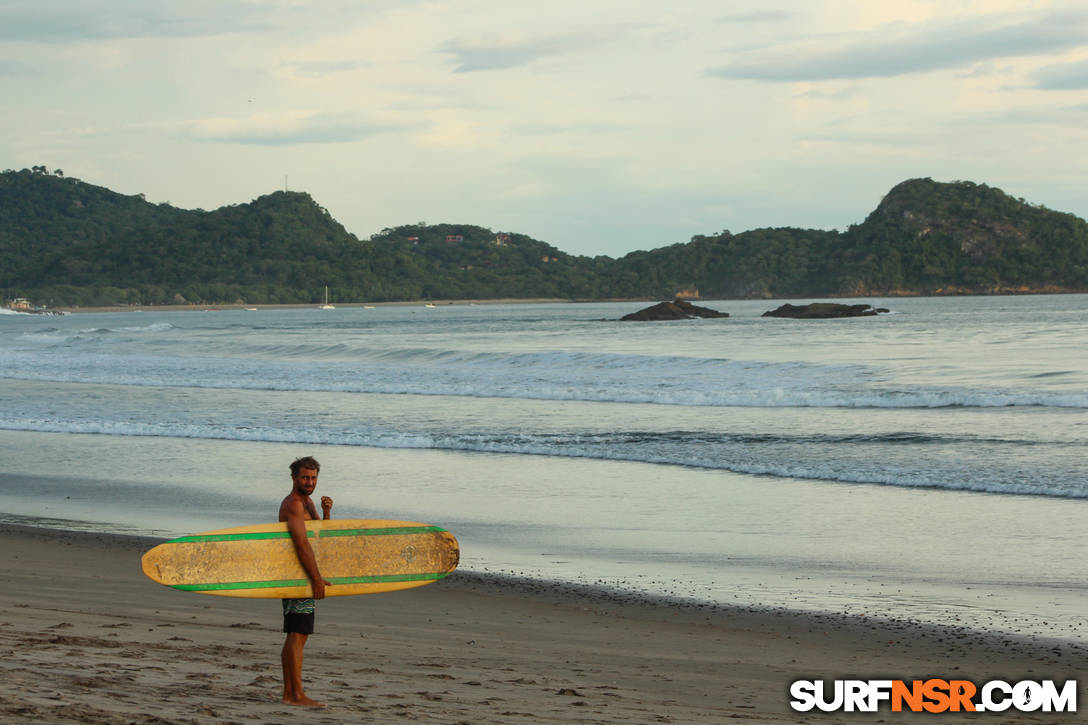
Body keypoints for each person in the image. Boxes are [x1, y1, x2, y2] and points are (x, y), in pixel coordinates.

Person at [279, 455, 334, 707]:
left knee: (298, 633)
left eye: (313, 478)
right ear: (294, 478)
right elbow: (301, 545)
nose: (310, 482)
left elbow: (318, 537)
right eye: (305, 477)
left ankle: (290, 692)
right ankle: (295, 695)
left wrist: (325, 512)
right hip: (297, 574)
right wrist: (316, 579)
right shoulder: (294, 505)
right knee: (297, 632)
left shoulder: (307, 502)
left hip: (304, 574)